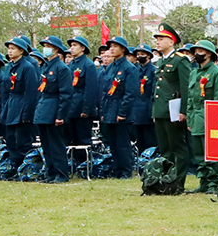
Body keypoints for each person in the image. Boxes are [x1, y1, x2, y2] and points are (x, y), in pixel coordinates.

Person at [186, 40, 218, 193]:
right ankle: (203, 181)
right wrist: (190, 118)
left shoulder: (217, 73)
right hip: (196, 118)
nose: (197, 54)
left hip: (210, 117)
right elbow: (190, 98)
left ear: (209, 54)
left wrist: (216, 120)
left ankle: (214, 182)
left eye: (200, 51)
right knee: (198, 152)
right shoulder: (194, 73)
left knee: (212, 152)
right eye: (195, 51)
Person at [152, 23, 190, 192]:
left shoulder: (180, 60)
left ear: (171, 41)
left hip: (173, 111)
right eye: (157, 39)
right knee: (165, 148)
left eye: (162, 39)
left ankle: (178, 182)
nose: (158, 42)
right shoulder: (161, 61)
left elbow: (186, 87)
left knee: (178, 148)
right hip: (161, 110)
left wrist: (183, 111)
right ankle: (167, 180)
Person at [34, 36, 74, 182]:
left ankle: (61, 174)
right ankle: (50, 173)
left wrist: (60, 115)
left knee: (56, 144)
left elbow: (66, 94)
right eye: (44, 45)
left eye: (48, 45)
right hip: (44, 109)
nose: (45, 48)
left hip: (54, 108)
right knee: (46, 144)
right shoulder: (46, 66)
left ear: (56, 49)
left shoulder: (61, 68)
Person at [0, 36, 40, 171]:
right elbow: (5, 89)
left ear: (21, 51)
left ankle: (26, 168)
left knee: (22, 140)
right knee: (10, 139)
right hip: (11, 105)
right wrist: (4, 107)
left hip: (22, 104)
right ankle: (13, 166)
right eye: (9, 49)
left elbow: (31, 92)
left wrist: (27, 113)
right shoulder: (9, 67)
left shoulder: (28, 67)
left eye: (13, 48)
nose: (10, 51)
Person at [100, 36, 138, 179]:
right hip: (110, 108)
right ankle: (117, 169)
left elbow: (130, 93)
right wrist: (103, 111)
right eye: (110, 46)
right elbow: (105, 91)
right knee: (113, 143)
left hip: (121, 109)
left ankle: (126, 171)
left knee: (123, 143)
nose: (112, 49)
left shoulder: (129, 68)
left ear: (123, 49)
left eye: (115, 46)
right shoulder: (110, 67)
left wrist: (123, 112)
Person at [65, 36, 99, 165]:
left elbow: (91, 89)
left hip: (81, 107)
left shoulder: (88, 64)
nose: (71, 48)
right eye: (71, 45)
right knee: (72, 139)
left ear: (83, 48)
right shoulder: (71, 64)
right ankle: (74, 164)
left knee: (83, 139)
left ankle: (86, 165)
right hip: (71, 107)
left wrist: (86, 109)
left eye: (75, 45)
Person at [131, 44, 157, 154]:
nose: (139, 56)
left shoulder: (153, 71)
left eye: (142, 54)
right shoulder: (135, 70)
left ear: (149, 56)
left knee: (150, 140)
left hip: (147, 111)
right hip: (136, 111)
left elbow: (153, 93)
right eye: (138, 54)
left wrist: (153, 112)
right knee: (138, 140)